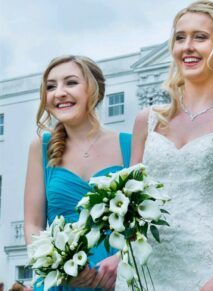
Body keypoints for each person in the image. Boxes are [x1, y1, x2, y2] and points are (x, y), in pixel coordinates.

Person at [116, 1, 213, 291]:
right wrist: (119, 256)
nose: (187, 46)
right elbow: (130, 203)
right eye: (179, 37)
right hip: (142, 268)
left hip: (206, 270)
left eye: (200, 37)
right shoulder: (146, 120)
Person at [24, 55, 131, 291]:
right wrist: (60, 267)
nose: (59, 92)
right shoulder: (41, 147)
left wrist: (123, 258)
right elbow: (33, 224)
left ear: (94, 90)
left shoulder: (129, 145)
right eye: (51, 87)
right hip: (61, 282)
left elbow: (141, 222)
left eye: (70, 83)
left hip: (115, 279)